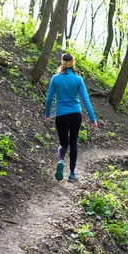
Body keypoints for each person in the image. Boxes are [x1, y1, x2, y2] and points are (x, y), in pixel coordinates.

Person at [45, 53, 98, 182]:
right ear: (73, 63)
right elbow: (85, 100)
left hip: (61, 114)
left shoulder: (55, 78)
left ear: (62, 63)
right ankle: (72, 174)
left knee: (63, 143)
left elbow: (49, 98)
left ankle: (61, 160)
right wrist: (92, 118)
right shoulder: (78, 79)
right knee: (73, 143)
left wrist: (47, 114)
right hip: (75, 114)